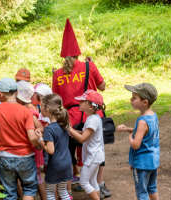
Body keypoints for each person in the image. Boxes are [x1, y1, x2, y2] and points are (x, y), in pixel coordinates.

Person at [52, 18, 109, 198]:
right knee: (95, 149)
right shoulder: (88, 66)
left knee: (68, 152)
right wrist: (92, 67)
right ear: (78, 52)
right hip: (91, 114)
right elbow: (102, 86)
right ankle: (99, 183)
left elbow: (56, 98)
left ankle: (72, 182)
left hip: (70, 117)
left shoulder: (57, 74)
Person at [0, 78, 40, 200]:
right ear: (16, 92)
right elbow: (31, 137)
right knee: (29, 189)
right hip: (25, 156)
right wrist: (39, 144)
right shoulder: (25, 111)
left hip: (5, 156)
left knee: (9, 192)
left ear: (0, 94)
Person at [116, 83, 160, 200]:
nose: (131, 100)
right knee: (152, 188)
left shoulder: (142, 121)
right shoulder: (153, 116)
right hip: (153, 161)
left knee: (142, 193)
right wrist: (127, 129)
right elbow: (146, 133)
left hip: (142, 164)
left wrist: (130, 136)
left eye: (134, 98)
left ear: (144, 102)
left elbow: (135, 145)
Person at [69, 90, 105, 200]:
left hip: (93, 157)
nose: (79, 103)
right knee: (92, 181)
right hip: (96, 155)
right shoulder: (93, 118)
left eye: (82, 101)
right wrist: (74, 132)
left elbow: (82, 139)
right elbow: (85, 134)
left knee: (84, 182)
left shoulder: (92, 120)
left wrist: (69, 128)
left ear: (90, 106)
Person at [36, 94, 73, 200]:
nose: (40, 108)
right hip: (66, 163)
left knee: (50, 192)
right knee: (63, 191)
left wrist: (40, 139)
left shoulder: (49, 129)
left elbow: (50, 150)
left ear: (47, 109)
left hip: (55, 165)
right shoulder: (64, 124)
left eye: (41, 106)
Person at [17, 80, 46, 200]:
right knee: (35, 179)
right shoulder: (31, 108)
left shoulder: (28, 110)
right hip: (31, 148)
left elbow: (39, 126)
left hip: (31, 149)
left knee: (34, 180)